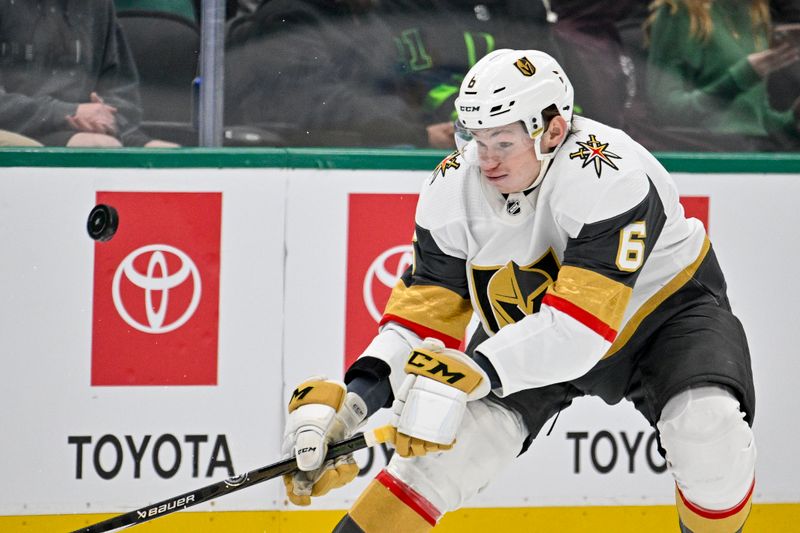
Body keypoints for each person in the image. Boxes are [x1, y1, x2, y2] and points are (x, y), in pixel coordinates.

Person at [281, 49, 757, 533]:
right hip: (529, 328)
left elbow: (579, 330)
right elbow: (422, 316)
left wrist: (477, 369)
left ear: (552, 130)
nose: (484, 160)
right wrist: (354, 402)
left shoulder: (610, 174)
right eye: (474, 137)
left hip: (664, 316)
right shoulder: (452, 185)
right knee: (433, 466)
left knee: (707, 434)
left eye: (502, 142)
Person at [0, 0, 177, 148]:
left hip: (87, 130)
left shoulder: (97, 5)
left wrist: (107, 120)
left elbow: (122, 95)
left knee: (169, 154)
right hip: (17, 129)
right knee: (99, 147)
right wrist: (67, 113)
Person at [643, 0, 800, 151]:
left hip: (756, 152)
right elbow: (667, 111)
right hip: (706, 151)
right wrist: (739, 79)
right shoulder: (678, 11)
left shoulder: (754, 11)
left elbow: (757, 119)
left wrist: (793, 118)